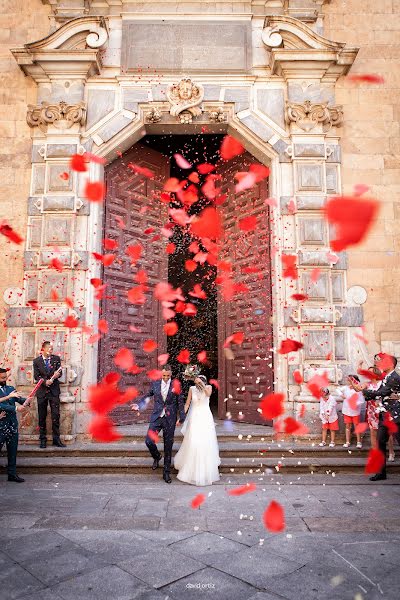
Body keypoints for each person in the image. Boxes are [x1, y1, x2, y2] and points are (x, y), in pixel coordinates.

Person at [132, 365, 186, 484]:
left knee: (168, 446)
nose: (166, 378)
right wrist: (139, 405)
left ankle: (166, 472)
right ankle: (157, 456)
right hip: (157, 417)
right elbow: (148, 396)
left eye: (168, 375)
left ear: (171, 374)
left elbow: (180, 401)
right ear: (161, 374)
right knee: (149, 441)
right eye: (164, 375)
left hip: (170, 418)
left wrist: (182, 417)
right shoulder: (155, 384)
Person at [357, 354, 400, 481]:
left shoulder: (394, 377)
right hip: (384, 415)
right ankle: (381, 473)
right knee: (380, 442)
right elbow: (380, 394)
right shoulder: (386, 377)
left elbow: (381, 393)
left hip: (394, 416)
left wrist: (364, 391)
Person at [174, 375, 220, 486]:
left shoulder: (208, 387)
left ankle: (205, 472)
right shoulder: (192, 389)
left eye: (198, 382)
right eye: (195, 382)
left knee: (205, 443)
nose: (196, 384)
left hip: (205, 418)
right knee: (193, 442)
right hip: (194, 418)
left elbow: (208, 394)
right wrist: (181, 417)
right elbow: (187, 403)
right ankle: (191, 470)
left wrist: (202, 384)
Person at [33, 341, 65, 448]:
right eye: (49, 348)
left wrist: (57, 375)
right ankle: (43, 439)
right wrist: (45, 381)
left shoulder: (56, 359)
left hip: (54, 391)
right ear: (43, 349)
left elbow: (60, 373)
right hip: (42, 392)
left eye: (52, 348)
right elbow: (36, 376)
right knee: (42, 416)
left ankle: (56, 439)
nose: (51, 350)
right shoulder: (36, 361)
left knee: (55, 415)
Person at [0, 367, 28, 482]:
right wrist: (16, 408)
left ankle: (12, 474)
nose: (5, 379)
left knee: (13, 451)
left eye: (5, 377)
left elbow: (20, 400)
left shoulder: (10, 388)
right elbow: (1, 405)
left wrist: (27, 400)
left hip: (12, 425)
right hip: (0, 426)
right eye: (2, 377)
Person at [338, 375, 364, 448]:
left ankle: (359, 442)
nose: (349, 381)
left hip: (355, 411)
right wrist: (341, 395)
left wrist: (355, 404)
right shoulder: (346, 388)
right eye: (349, 380)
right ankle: (347, 442)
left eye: (351, 380)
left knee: (356, 426)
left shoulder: (358, 389)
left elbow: (361, 400)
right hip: (347, 410)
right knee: (347, 426)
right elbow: (338, 389)